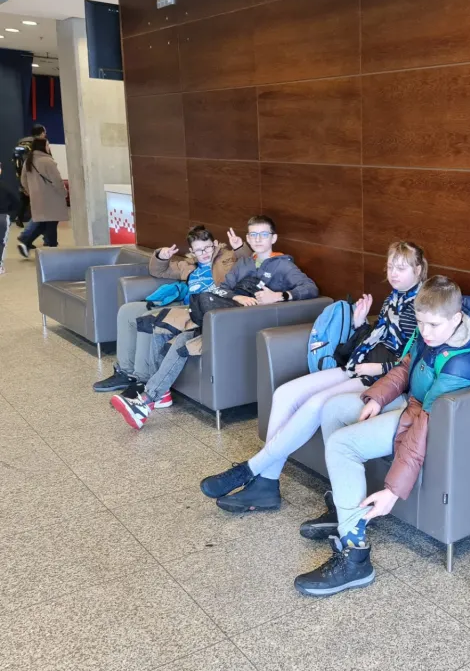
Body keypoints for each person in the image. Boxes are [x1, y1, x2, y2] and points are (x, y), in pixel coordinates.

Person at [291, 275, 470, 597]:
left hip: (425, 419)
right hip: (412, 402)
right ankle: (345, 510)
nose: (425, 332)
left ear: (457, 318)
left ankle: (355, 556)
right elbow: (406, 367)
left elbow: (425, 426)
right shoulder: (434, 332)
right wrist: (377, 398)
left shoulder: (463, 363)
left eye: (433, 325)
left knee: (342, 444)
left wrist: (392, 491)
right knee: (333, 408)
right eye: (420, 323)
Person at [199, 241, 428, 514]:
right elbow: (378, 340)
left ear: (418, 269)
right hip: (357, 365)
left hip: (380, 379)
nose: (393, 273)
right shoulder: (394, 298)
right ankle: (266, 483)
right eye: (390, 267)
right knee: (284, 394)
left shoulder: (422, 306)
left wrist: (378, 369)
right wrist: (358, 324)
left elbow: (417, 359)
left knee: (316, 405)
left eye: (401, 268)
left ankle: (252, 469)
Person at [110, 215, 319, 430]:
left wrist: (280, 296)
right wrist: (237, 296)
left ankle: (145, 402)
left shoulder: (283, 265)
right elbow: (223, 288)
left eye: (263, 234)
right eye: (253, 235)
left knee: (181, 336)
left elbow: (310, 288)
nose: (258, 239)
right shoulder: (244, 263)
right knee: (177, 336)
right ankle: (149, 399)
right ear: (248, 238)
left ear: (273, 238)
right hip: (225, 314)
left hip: (246, 322)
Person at [92, 224, 247, 397]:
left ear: (215, 244)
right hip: (183, 304)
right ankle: (125, 372)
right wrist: (161, 256)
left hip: (202, 309)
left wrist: (239, 247)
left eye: (207, 247)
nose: (204, 253)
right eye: (198, 250)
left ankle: (142, 378)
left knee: (148, 319)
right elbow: (158, 270)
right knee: (127, 311)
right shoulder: (188, 265)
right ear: (192, 251)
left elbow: (248, 264)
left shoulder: (227, 259)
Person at [16, 137, 65, 256]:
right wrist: (64, 192)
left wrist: (31, 192)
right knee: (51, 223)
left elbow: (23, 180)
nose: (49, 147)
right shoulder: (48, 161)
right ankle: (52, 250)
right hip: (52, 198)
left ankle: (26, 242)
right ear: (42, 147)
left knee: (44, 223)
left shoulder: (29, 161)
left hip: (37, 198)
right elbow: (57, 180)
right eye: (47, 145)